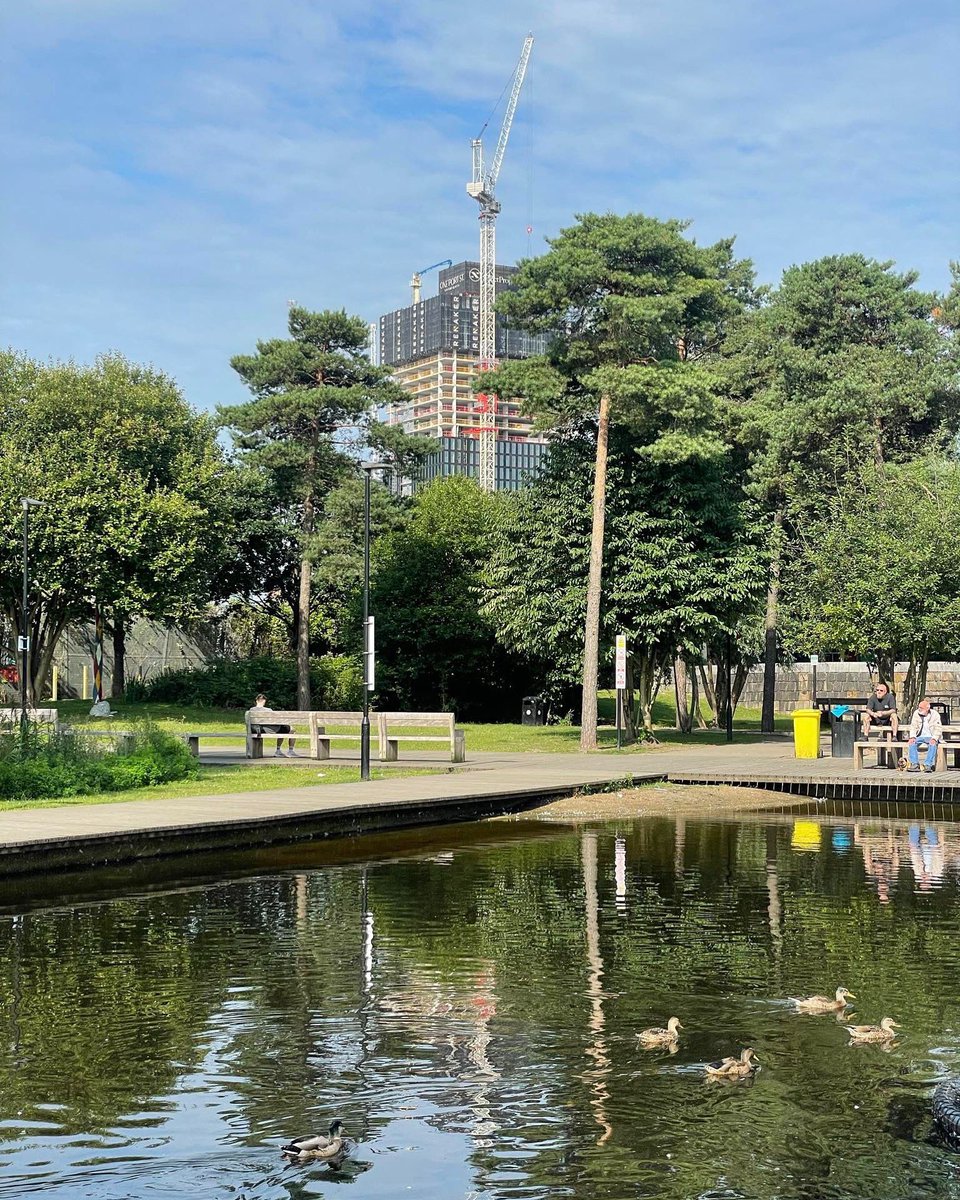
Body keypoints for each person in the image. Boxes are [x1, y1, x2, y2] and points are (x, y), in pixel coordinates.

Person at [246, 693, 298, 757]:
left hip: (257, 730)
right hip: (270, 730)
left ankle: (279, 751)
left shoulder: (251, 710)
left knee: (283, 730)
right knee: (292, 729)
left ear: (256, 701)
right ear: (264, 701)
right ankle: (288, 751)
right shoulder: (268, 710)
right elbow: (275, 720)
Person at [904, 697, 942, 773]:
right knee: (912, 742)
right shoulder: (916, 713)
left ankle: (928, 765)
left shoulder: (935, 714)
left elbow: (938, 728)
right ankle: (915, 764)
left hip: (931, 736)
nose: (919, 709)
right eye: (919, 707)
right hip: (919, 736)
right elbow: (913, 726)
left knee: (933, 744)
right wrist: (912, 737)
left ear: (927, 708)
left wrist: (934, 738)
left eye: (921, 708)